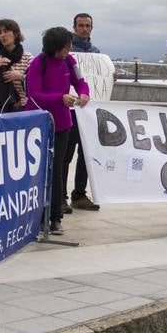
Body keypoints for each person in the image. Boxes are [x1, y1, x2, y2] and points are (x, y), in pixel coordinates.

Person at [25, 26, 90, 236]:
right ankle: (36, 216)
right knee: (39, 169)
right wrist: (59, 97)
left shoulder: (69, 61)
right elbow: (33, 93)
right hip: (39, 124)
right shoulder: (38, 63)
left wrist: (84, 94)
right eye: (66, 46)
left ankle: (55, 217)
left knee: (58, 169)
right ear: (55, 47)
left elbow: (80, 82)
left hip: (62, 124)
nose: (69, 49)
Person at [65, 12, 103, 213]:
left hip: (87, 111)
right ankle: (60, 196)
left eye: (88, 25)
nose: (84, 29)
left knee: (86, 154)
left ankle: (79, 194)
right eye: (81, 25)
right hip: (70, 110)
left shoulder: (96, 52)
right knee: (66, 155)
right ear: (74, 27)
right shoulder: (67, 51)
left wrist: (109, 74)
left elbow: (99, 79)